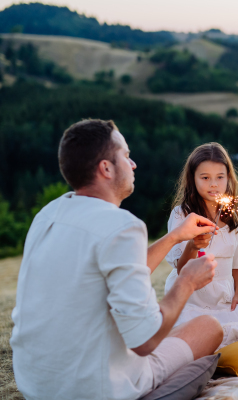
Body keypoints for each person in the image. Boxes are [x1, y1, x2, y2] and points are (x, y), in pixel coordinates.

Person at [11, 119, 224, 400]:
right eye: (126, 155)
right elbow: (145, 340)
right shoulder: (122, 226)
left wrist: (174, 237)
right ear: (106, 168)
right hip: (96, 387)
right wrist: (186, 281)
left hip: (36, 383)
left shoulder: (47, 214)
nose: (133, 164)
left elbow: (116, 271)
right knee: (209, 327)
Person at [164, 143, 238, 349]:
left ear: (229, 178)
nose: (214, 184)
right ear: (193, 179)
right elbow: (181, 270)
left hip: (224, 294)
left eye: (220, 177)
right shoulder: (182, 215)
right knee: (196, 339)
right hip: (191, 296)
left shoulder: (235, 214)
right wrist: (192, 245)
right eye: (205, 177)